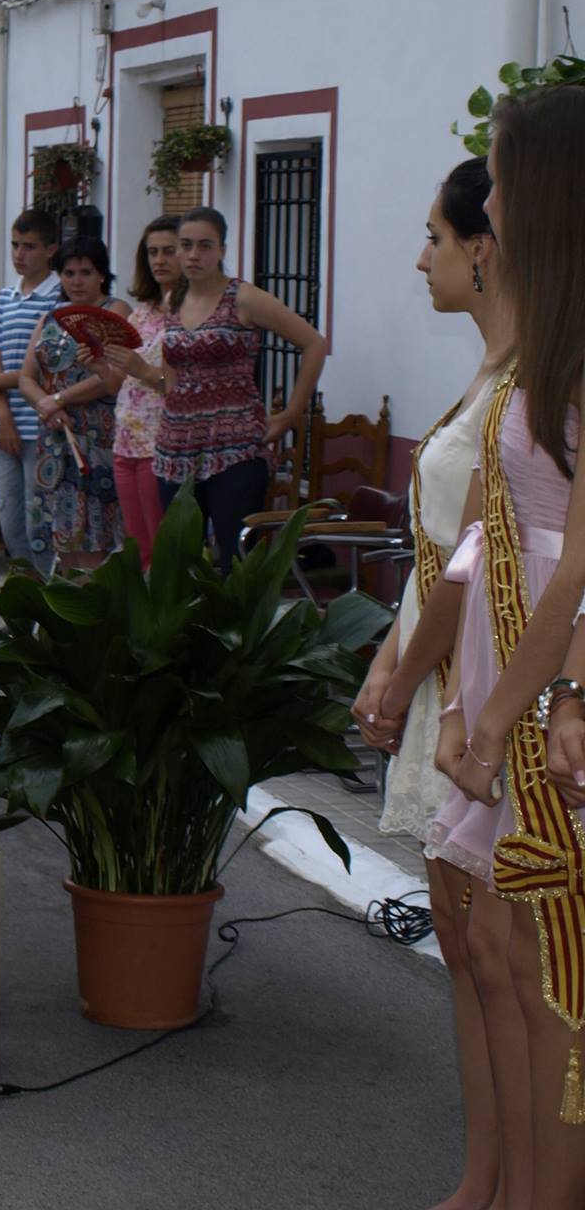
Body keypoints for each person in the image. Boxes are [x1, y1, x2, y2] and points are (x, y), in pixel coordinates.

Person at [408, 86, 585, 1204]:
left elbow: (574, 561)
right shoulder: (548, 347)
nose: (492, 200)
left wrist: (507, 714)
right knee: (510, 964)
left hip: (549, 694)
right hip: (528, 680)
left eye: (504, 178)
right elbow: (490, 535)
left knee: (548, 977)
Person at [349, 158, 513, 1210]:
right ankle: (483, 1175)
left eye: (433, 237)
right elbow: (434, 554)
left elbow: (477, 554)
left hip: (478, 686)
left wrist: (407, 672)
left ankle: (510, 1181)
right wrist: (387, 653)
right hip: (437, 666)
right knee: (459, 946)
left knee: (498, 957)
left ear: (481, 249)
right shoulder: (488, 371)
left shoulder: (532, 375)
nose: (418, 257)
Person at [108, 205, 326, 573]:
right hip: (176, 450)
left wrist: (291, 413)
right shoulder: (172, 301)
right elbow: (174, 382)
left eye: (205, 246)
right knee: (180, 565)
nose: (194, 255)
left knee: (235, 562)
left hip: (235, 450)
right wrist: (140, 370)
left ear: (223, 249)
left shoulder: (243, 297)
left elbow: (314, 344)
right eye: (186, 245)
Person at [17, 237, 128, 572]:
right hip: (54, 438)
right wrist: (46, 406)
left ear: (101, 275)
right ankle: (67, 613)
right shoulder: (51, 318)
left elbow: (114, 376)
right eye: (69, 273)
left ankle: (94, 616)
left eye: (85, 272)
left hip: (96, 437)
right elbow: (26, 376)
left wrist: (59, 399)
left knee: (96, 534)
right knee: (62, 536)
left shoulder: (115, 311)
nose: (77, 280)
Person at [0, 210, 63, 574]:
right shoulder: (6, 297)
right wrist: (3, 414)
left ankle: (48, 598)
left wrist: (0, 382)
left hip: (42, 426)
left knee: (38, 520)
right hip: (8, 426)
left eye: (29, 247)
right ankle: (25, 597)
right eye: (15, 245)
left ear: (50, 250)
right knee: (9, 517)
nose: (19, 254)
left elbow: (49, 365)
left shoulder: (58, 298)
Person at [111, 215, 180, 568]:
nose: (159, 260)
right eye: (152, 252)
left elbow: (185, 384)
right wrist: (97, 359)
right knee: (138, 545)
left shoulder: (191, 311)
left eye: (169, 251)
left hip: (163, 442)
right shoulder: (142, 312)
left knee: (163, 546)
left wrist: (145, 372)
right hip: (126, 438)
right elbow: (120, 377)